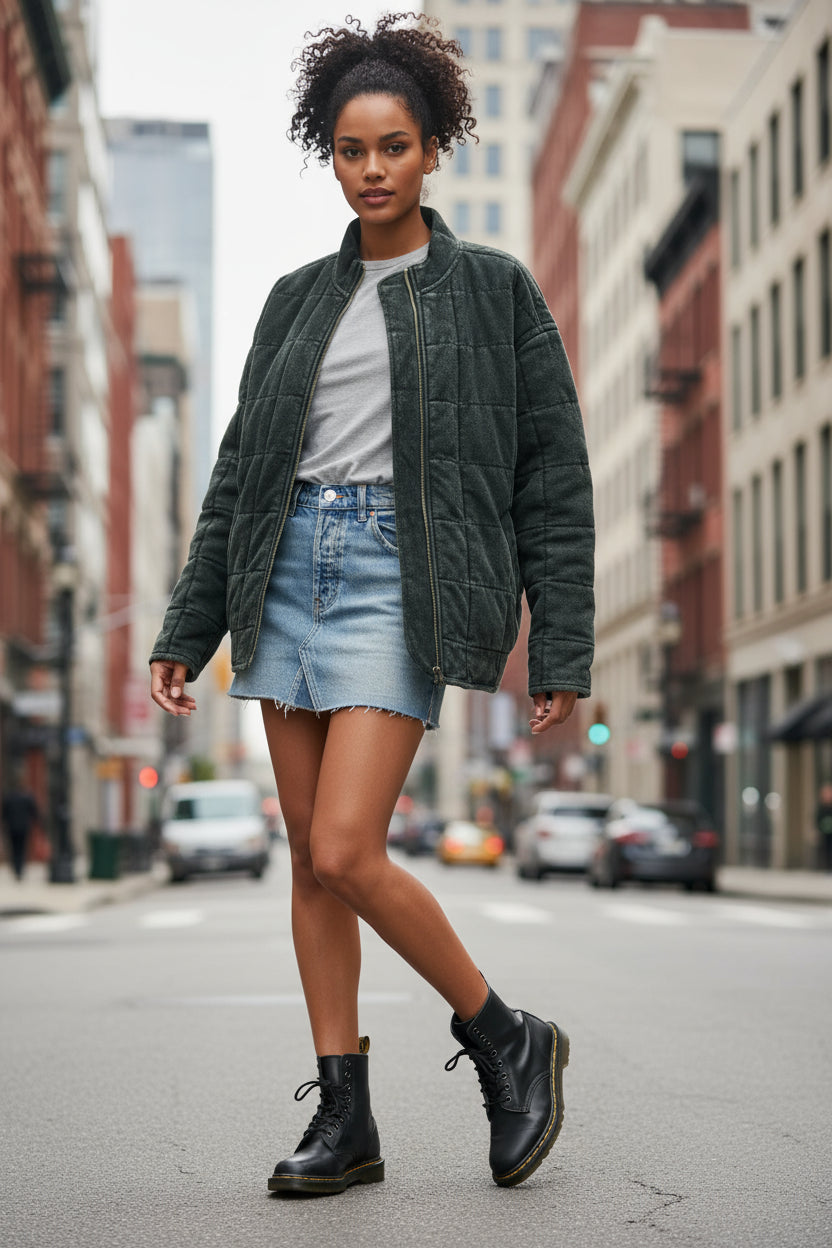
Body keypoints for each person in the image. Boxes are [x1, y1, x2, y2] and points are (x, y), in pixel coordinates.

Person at [149, 13, 594, 1195]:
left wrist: (565, 636)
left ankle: (502, 1031)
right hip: (284, 568)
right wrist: (187, 627)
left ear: (433, 146)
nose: (374, 169)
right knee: (308, 861)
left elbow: (552, 474)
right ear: (331, 158)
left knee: (349, 845)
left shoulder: (493, 290)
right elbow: (241, 472)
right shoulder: (296, 299)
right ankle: (345, 1117)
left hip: (402, 576)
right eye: (352, 151)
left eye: (394, 145)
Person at [1, 783, 39, 881]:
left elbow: (4, 813)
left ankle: (16, 869)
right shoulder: (27, 797)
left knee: (14, 849)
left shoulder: (9, 798)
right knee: (21, 848)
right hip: (23, 827)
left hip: (12, 827)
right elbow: (34, 812)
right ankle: (20, 869)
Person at [817, 783, 832, 872]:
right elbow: (817, 819)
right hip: (824, 832)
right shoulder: (821, 808)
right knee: (825, 849)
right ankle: (827, 866)